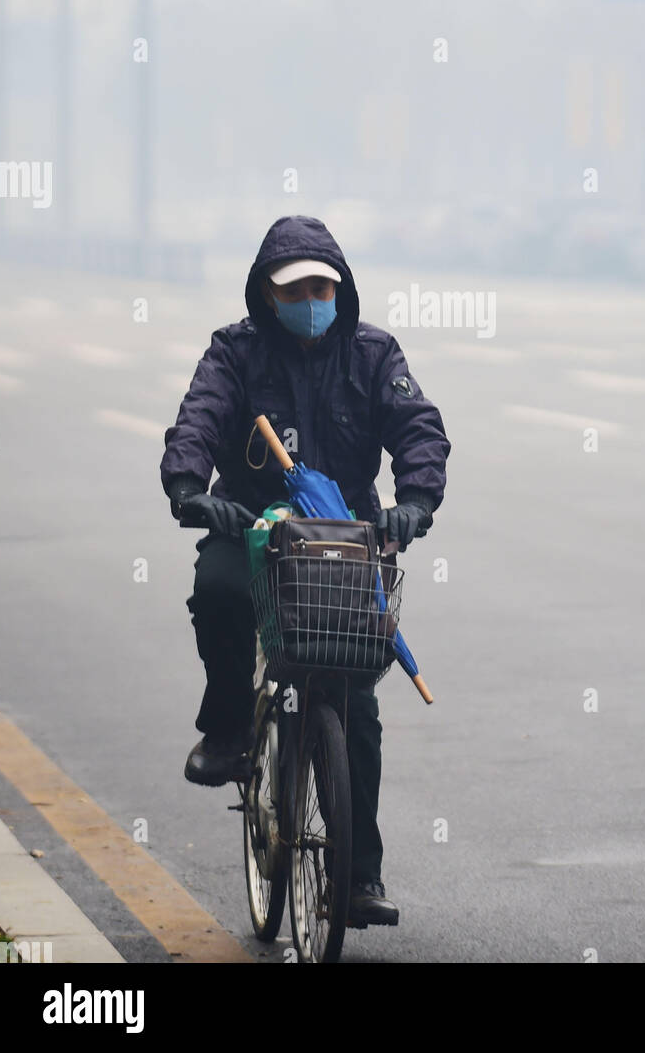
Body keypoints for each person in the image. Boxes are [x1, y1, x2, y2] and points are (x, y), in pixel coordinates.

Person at [160, 214, 451, 925]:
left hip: (343, 536)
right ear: (267, 293)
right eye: (295, 289)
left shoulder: (375, 354)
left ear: (340, 287)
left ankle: (357, 876)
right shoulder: (235, 353)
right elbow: (197, 419)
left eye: (322, 286)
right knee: (219, 591)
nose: (310, 299)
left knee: (358, 705)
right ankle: (229, 727)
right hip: (252, 525)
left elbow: (419, 431)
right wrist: (189, 488)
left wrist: (413, 502)